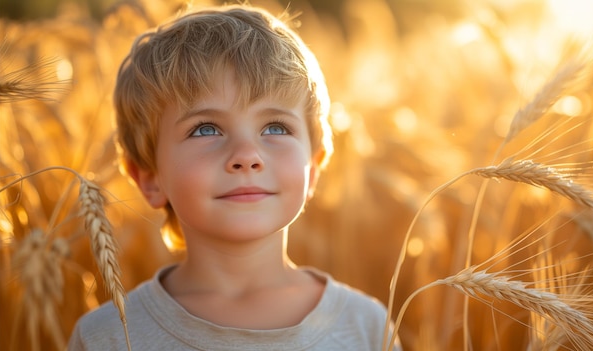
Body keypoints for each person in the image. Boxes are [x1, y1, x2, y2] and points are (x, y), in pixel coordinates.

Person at [68, 4, 401, 350]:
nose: (247, 156)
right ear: (150, 178)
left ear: (313, 167)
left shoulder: (367, 327)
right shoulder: (106, 337)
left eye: (276, 127)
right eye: (205, 129)